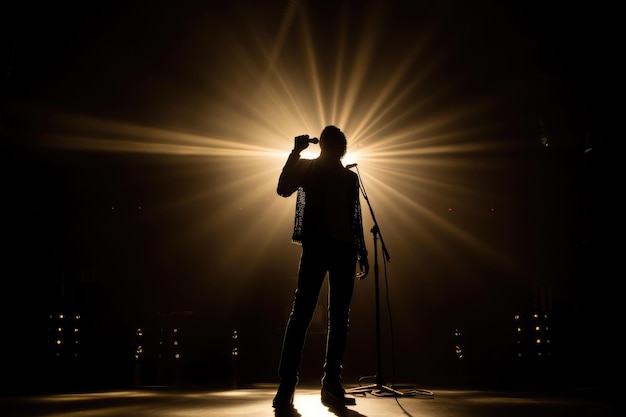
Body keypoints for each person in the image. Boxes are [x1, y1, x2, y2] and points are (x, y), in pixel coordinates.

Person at [272, 125, 370, 409]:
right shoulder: (311, 169)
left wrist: (361, 249)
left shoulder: (347, 177)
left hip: (337, 249)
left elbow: (355, 217)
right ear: (339, 148)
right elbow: (282, 190)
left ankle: (300, 384)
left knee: (314, 315)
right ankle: (309, 383)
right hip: (325, 247)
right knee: (322, 316)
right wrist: (295, 154)